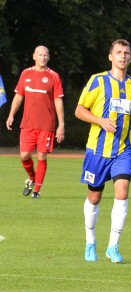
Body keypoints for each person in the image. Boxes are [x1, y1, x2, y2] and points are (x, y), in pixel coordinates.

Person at [75, 39, 131, 263]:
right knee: (94, 197)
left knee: (122, 192)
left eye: (126, 53)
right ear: (110, 57)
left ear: (130, 58)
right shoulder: (98, 80)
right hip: (97, 149)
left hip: (124, 149)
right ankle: (90, 240)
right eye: (118, 52)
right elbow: (78, 110)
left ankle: (113, 246)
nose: (123, 56)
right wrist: (99, 120)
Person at [5, 45, 65, 199]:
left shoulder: (54, 76)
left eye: (45, 55)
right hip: (27, 124)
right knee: (24, 155)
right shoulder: (26, 74)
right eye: (40, 55)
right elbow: (19, 96)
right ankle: (32, 178)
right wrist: (11, 114)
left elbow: (58, 101)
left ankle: (37, 190)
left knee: (42, 156)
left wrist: (61, 124)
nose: (43, 57)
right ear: (34, 56)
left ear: (48, 57)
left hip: (46, 125)